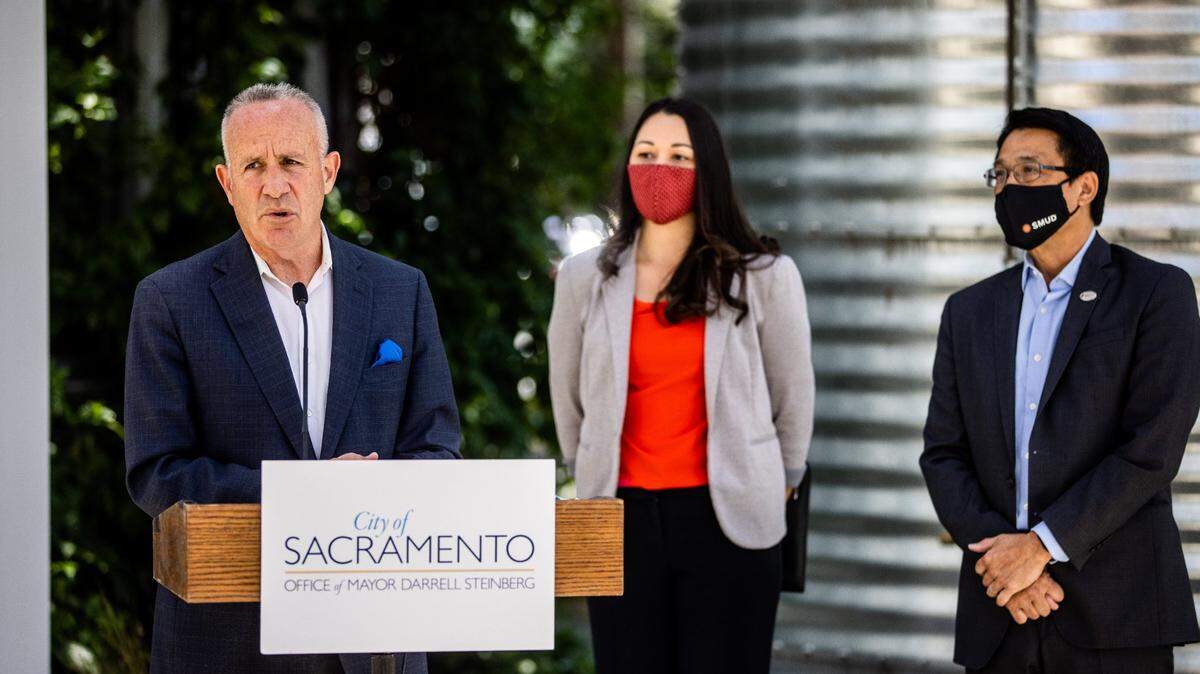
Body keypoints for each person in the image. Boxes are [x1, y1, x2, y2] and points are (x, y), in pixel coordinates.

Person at [123, 82, 460, 674]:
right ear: (227, 183)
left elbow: (437, 449)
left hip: (373, 641)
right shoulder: (170, 301)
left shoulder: (400, 291)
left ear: (328, 172)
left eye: (291, 162)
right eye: (253, 165)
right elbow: (158, 474)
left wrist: (371, 495)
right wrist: (303, 494)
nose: (274, 185)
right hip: (230, 643)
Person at [920, 107, 1200, 672]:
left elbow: (1152, 449)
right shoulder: (969, 311)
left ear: (1083, 188)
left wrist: (1040, 547)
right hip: (1000, 613)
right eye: (1000, 174)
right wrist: (1004, 564)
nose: (1009, 188)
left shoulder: (1156, 292)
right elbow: (944, 454)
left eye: (1029, 171)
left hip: (1115, 616)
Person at [548, 97, 815, 674]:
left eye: (679, 156)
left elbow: (793, 397)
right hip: (616, 518)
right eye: (645, 154)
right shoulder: (582, 277)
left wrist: (783, 479)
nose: (659, 168)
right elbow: (566, 395)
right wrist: (586, 466)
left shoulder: (765, 276)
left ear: (708, 169)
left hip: (730, 521)